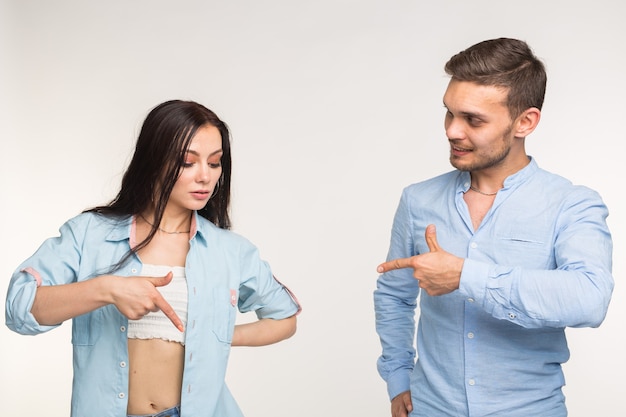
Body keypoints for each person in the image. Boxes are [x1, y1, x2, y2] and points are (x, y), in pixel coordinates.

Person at [5, 100, 301, 417]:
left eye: (214, 163)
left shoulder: (231, 251)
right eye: (188, 162)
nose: (205, 176)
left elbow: (284, 318)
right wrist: (107, 289)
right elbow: (19, 307)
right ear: (153, 160)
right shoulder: (89, 234)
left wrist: (217, 334)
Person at [373, 38, 613, 417]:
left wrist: (465, 275)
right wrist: (398, 378)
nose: (452, 131)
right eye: (449, 113)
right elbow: (394, 296)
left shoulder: (571, 203)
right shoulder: (418, 200)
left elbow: (589, 298)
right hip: (431, 408)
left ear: (525, 122)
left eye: (473, 119)